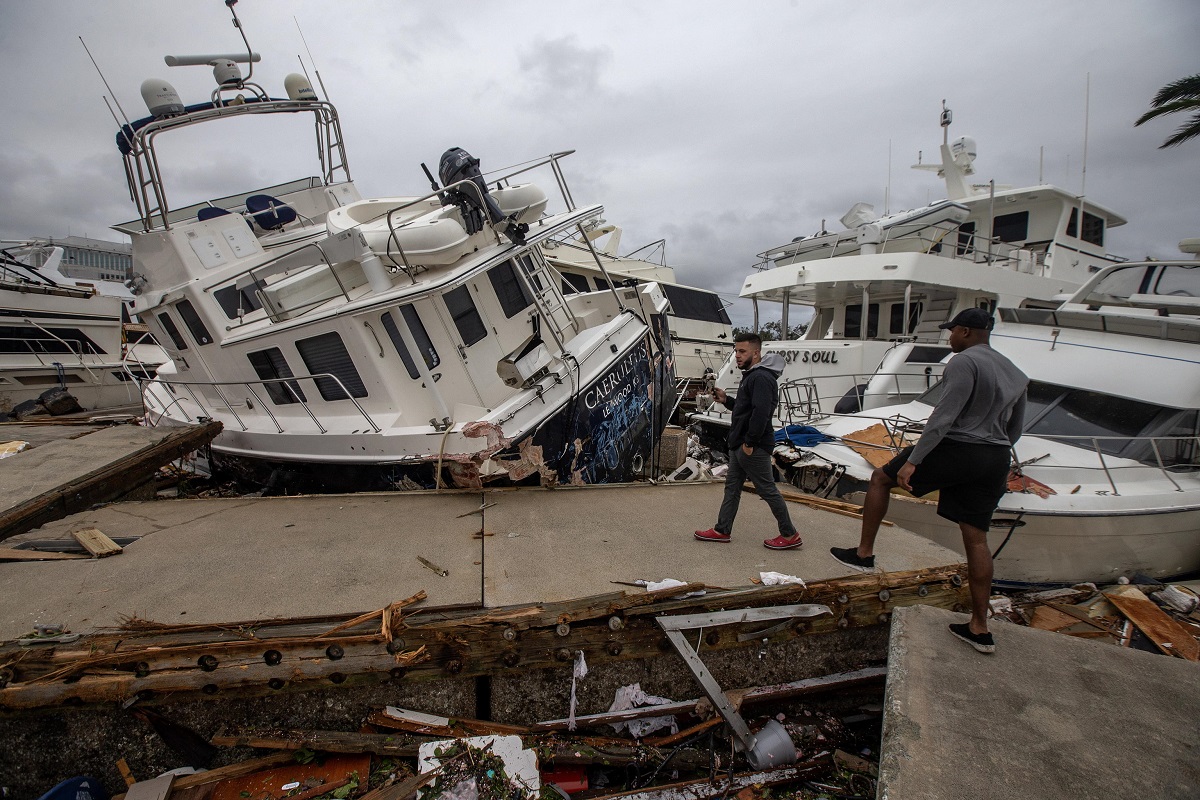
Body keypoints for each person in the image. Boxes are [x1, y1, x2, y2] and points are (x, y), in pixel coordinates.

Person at [830, 308, 1027, 654]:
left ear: (965, 332)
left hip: (959, 445)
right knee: (976, 538)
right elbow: (1015, 430)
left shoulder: (963, 362)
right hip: (995, 456)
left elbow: (943, 417)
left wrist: (914, 462)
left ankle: (863, 554)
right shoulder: (1016, 372)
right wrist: (997, 456)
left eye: (952, 331)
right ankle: (980, 629)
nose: (949, 337)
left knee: (879, 479)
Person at [695, 332, 802, 550]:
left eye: (742, 351)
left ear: (756, 352)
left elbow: (761, 413)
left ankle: (790, 534)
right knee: (732, 488)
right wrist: (726, 400)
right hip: (740, 444)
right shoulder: (753, 376)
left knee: (767, 489)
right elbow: (745, 410)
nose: (737, 355)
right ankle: (722, 530)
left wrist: (750, 443)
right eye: (736, 351)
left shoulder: (761, 378)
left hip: (753, 446)